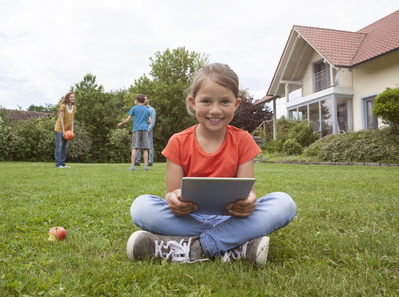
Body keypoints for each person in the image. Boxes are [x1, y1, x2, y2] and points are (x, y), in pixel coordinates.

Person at [126, 63, 296, 266]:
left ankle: (196, 247)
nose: (215, 110)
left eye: (225, 101)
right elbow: (171, 193)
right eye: (206, 101)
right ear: (193, 102)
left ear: (236, 104)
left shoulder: (243, 140)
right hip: (189, 220)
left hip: (232, 220)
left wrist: (250, 200)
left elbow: (247, 192)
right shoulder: (177, 142)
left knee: (284, 203)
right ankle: (236, 246)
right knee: (141, 207)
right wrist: (174, 200)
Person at [117, 94, 152, 171]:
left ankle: (132, 166)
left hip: (136, 129)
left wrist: (121, 124)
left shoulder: (134, 108)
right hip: (145, 130)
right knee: (145, 149)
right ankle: (146, 166)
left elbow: (128, 120)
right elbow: (150, 121)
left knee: (135, 148)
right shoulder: (147, 110)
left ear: (137, 100)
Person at [54, 92, 76, 168]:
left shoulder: (74, 108)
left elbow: (72, 120)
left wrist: (72, 131)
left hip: (68, 130)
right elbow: (61, 119)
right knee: (59, 146)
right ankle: (58, 164)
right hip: (60, 128)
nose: (73, 98)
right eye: (71, 97)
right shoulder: (63, 106)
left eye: (73, 97)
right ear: (67, 98)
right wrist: (63, 131)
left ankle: (63, 164)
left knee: (64, 147)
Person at [135, 95, 156, 167]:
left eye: (145, 99)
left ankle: (150, 162)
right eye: (143, 99)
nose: (144, 100)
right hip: (140, 129)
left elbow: (152, 122)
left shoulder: (152, 110)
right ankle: (137, 161)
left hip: (148, 130)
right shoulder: (140, 108)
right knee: (138, 145)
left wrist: (147, 130)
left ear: (149, 100)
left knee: (149, 146)